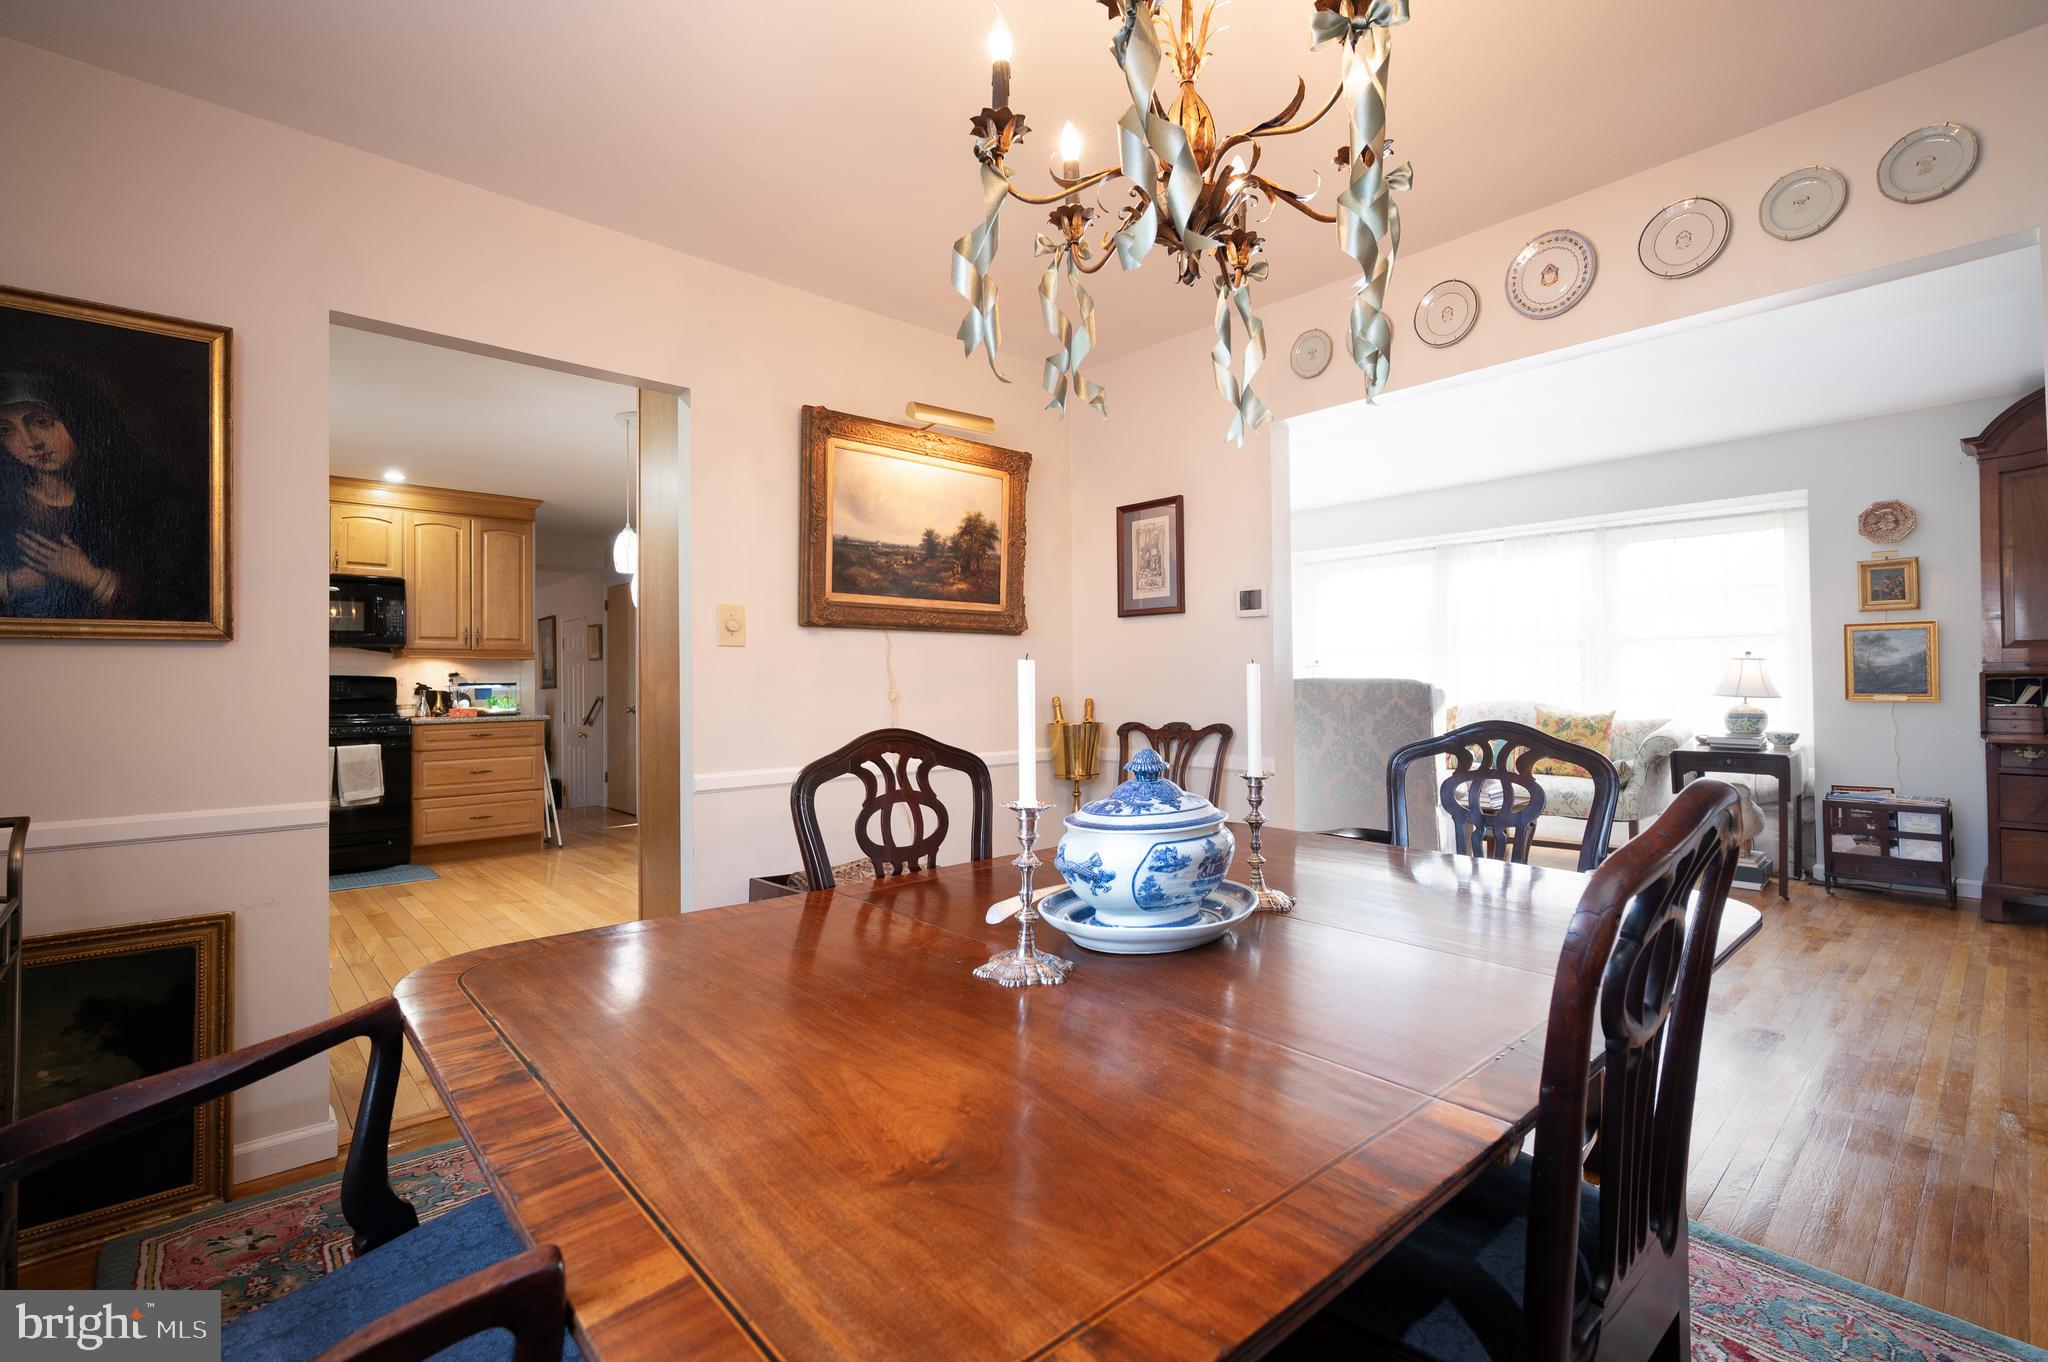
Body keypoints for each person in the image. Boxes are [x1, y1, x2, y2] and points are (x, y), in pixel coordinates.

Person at [0, 367, 204, 621]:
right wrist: (11, 582)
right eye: (6, 430)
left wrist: (91, 577)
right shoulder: (6, 501)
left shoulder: (150, 501)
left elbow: (184, 605)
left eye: (42, 422)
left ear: (79, 419)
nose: (30, 442)